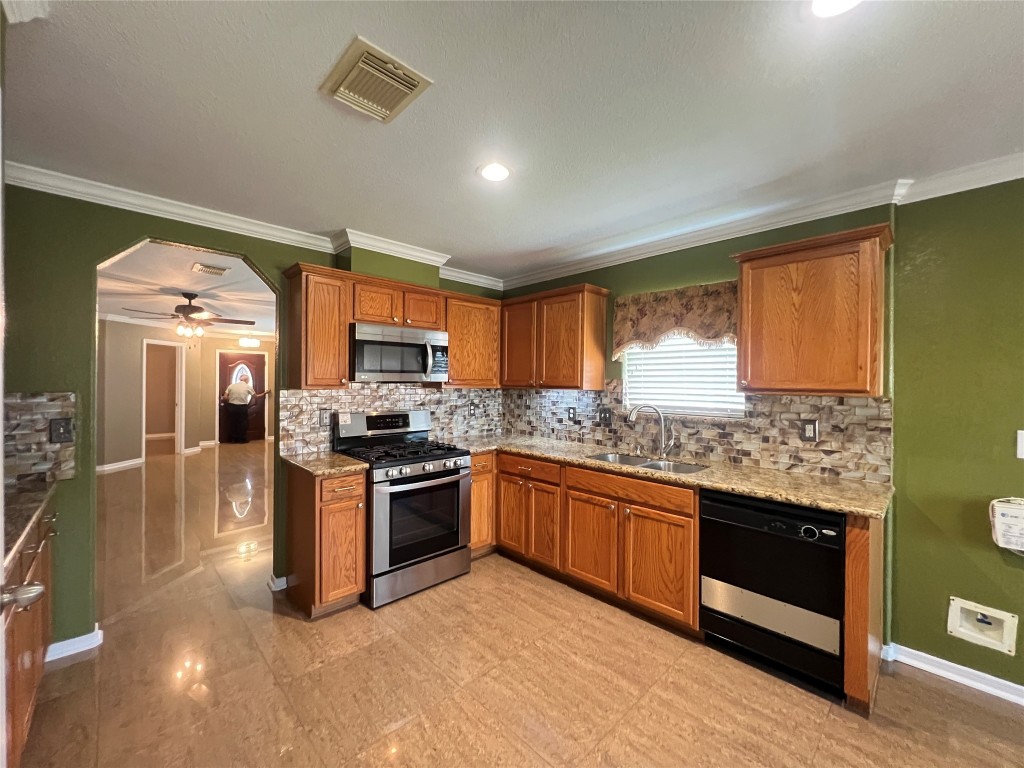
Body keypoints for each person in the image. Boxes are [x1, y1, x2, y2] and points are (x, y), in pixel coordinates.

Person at [221, 374, 269, 444]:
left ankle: (233, 439)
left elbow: (225, 397)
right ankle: (242, 439)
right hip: (242, 407)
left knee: (232, 422)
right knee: (243, 423)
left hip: (231, 407)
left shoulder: (231, 386)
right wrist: (265, 393)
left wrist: (232, 398)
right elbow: (255, 396)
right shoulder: (248, 387)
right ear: (246, 380)